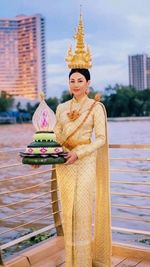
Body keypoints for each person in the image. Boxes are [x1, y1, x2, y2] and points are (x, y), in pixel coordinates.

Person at [54, 68, 112, 266]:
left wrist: (79, 152)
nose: (76, 84)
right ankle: (71, 262)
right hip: (64, 163)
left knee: (82, 211)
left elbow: (101, 139)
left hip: (85, 161)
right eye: (72, 80)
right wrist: (47, 154)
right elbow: (56, 135)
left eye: (80, 80)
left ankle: (83, 262)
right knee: (68, 212)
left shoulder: (96, 107)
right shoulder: (61, 108)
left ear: (88, 83)